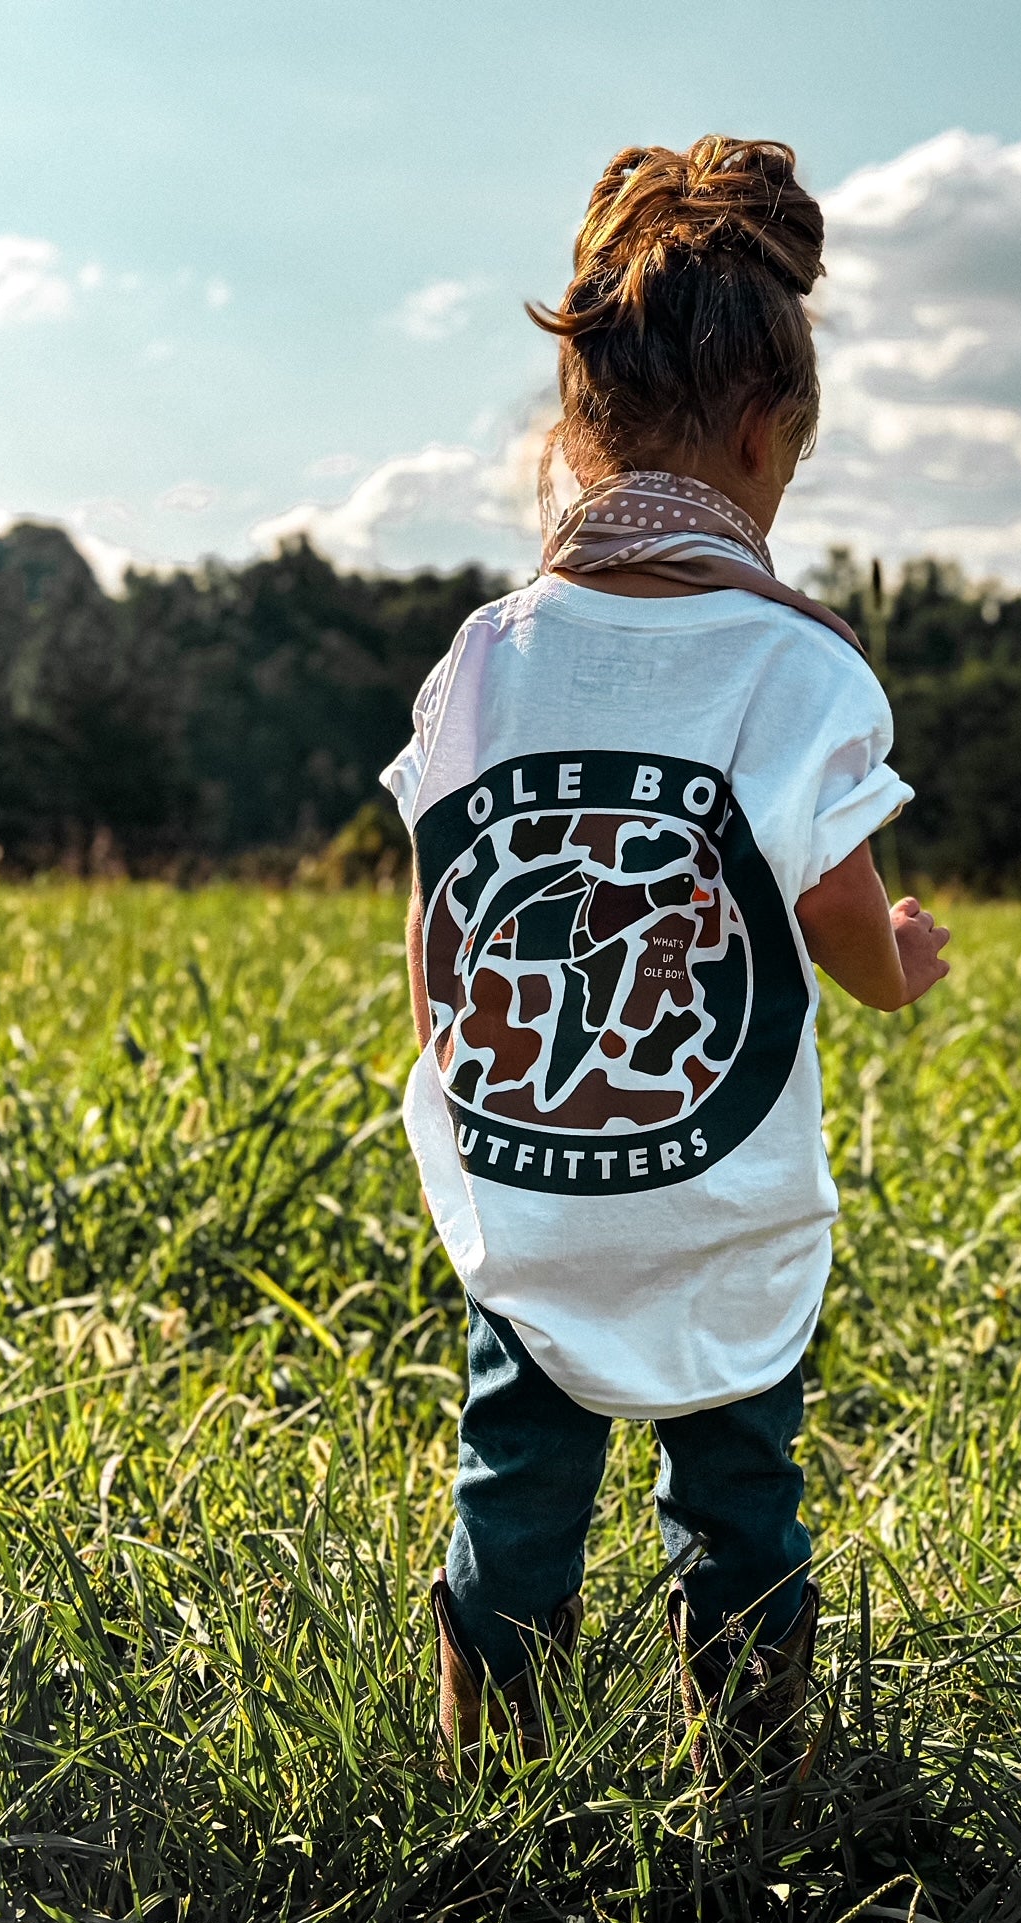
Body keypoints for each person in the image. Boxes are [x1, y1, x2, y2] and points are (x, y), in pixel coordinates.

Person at [381, 135, 950, 1767]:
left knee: (519, 1468)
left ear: (578, 434)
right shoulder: (799, 666)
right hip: (714, 1194)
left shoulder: (488, 654)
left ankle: (488, 1771)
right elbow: (841, 914)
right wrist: (898, 961)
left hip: (540, 1174)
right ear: (770, 440)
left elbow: (443, 906)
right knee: (738, 1480)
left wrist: (472, 1056)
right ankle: (755, 1768)